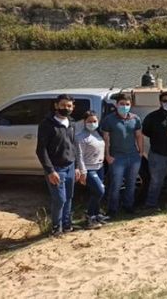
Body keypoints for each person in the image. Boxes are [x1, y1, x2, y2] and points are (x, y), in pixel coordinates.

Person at [36, 94, 85, 236]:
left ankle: (67, 224)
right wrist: (50, 171)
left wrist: (76, 167)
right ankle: (56, 227)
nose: (66, 108)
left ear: (73, 107)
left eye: (69, 106)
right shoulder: (47, 124)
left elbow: (73, 145)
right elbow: (41, 149)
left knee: (69, 197)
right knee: (59, 199)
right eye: (63, 105)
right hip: (56, 169)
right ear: (56, 105)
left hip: (70, 167)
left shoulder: (71, 123)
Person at [100, 93, 144, 217]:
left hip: (133, 156)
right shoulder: (109, 119)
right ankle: (112, 209)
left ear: (131, 105)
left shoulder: (135, 119)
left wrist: (140, 152)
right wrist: (107, 155)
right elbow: (106, 139)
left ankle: (128, 206)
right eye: (122, 104)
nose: (124, 106)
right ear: (116, 104)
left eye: (127, 104)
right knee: (116, 184)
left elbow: (139, 136)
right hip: (117, 157)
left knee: (131, 184)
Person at [75, 110, 106, 229]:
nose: (92, 123)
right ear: (84, 122)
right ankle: (89, 215)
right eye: (89, 121)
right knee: (100, 191)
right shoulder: (81, 137)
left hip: (99, 167)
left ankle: (96, 214)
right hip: (89, 169)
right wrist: (83, 172)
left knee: (95, 193)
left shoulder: (97, 134)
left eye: (95, 121)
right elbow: (79, 156)